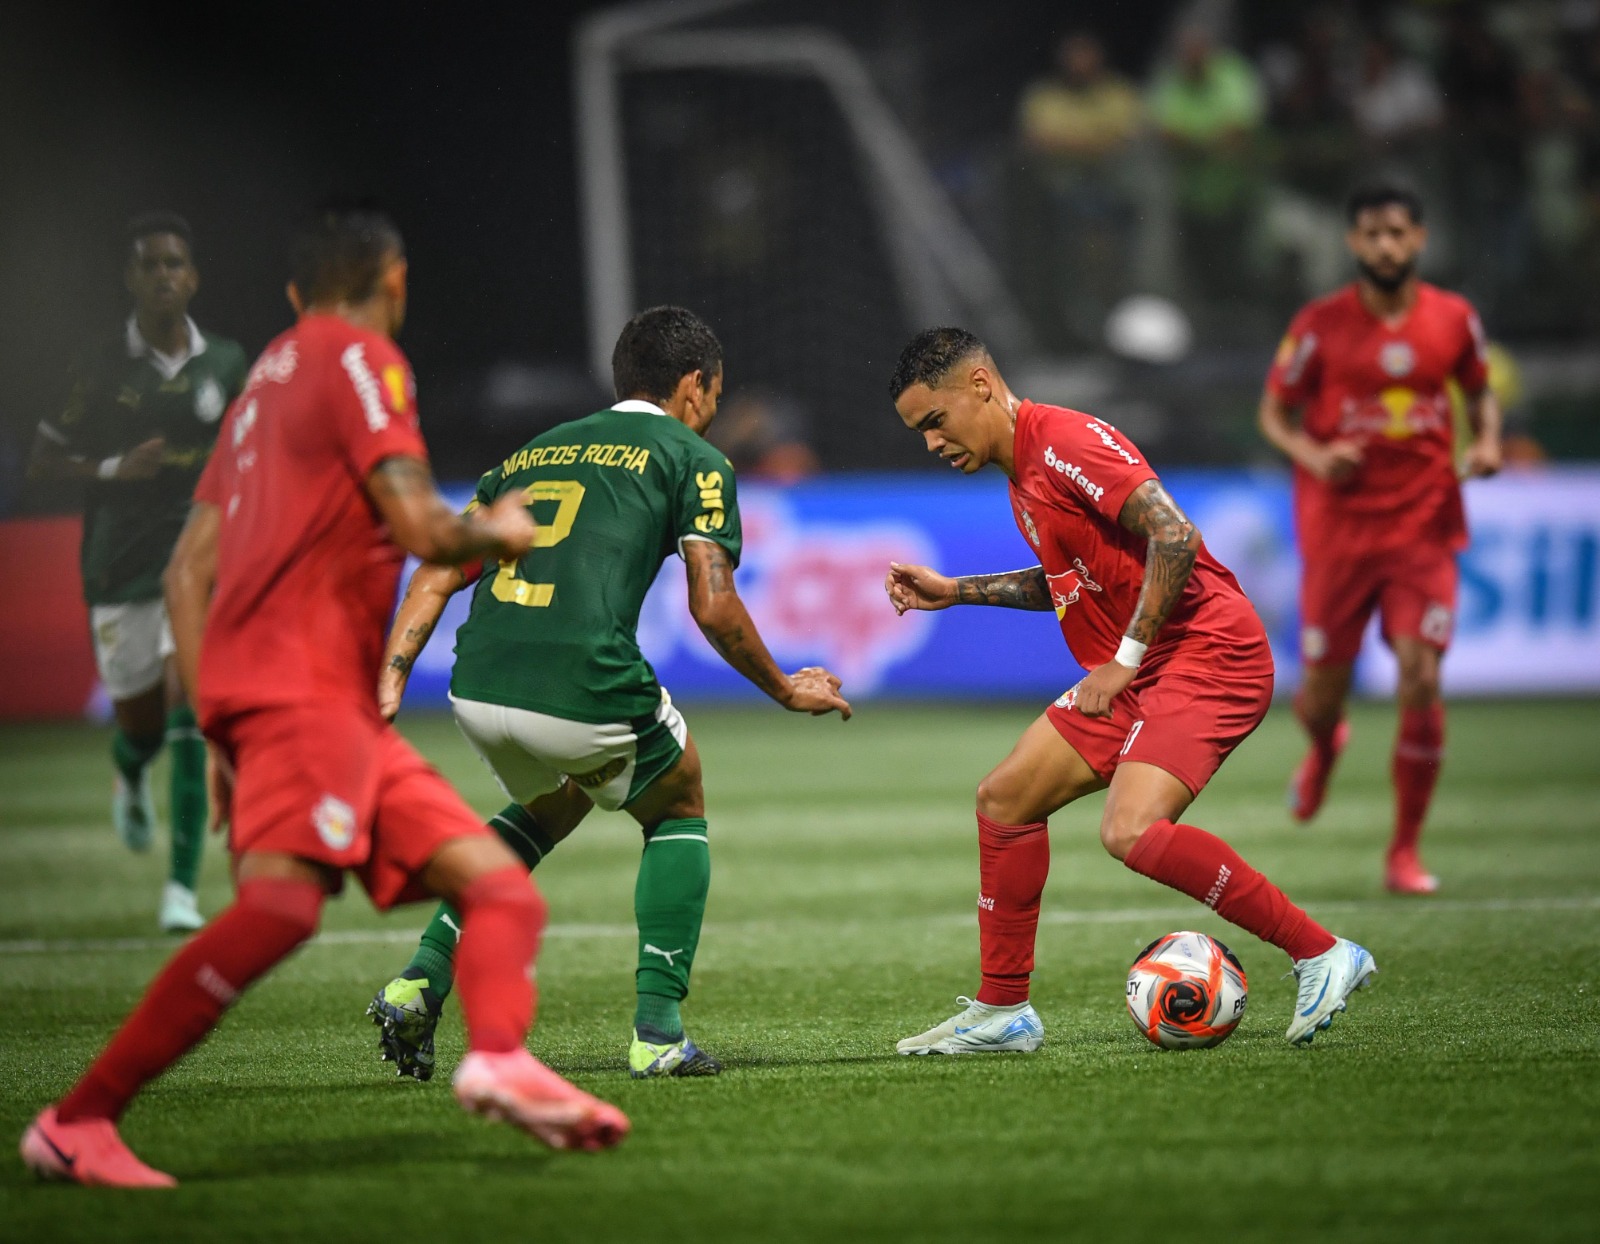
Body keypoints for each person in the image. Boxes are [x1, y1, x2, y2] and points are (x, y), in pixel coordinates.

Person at [19, 203, 628, 1188]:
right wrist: (499, 528)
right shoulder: (361, 360)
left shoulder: (259, 382)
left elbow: (185, 572)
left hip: (296, 702)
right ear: (391, 281)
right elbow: (421, 523)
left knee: (498, 885)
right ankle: (77, 1119)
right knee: (280, 909)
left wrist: (217, 727)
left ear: (296, 292)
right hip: (305, 693)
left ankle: (502, 1058)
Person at [368, 305, 851, 1082]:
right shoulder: (691, 455)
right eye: (715, 395)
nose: (715, 412)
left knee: (553, 803)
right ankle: (658, 1035)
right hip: (577, 676)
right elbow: (714, 603)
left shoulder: (534, 451)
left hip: (476, 681)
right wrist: (785, 688)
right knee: (679, 796)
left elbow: (436, 566)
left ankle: (421, 979)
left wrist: (393, 671)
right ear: (695, 385)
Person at [885, 326, 1374, 1056]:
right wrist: (956, 591)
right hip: (1145, 668)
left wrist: (1125, 655)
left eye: (935, 422)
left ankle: (1321, 951)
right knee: (1005, 799)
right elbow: (1063, 582)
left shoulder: (1066, 443)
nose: (931, 442)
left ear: (980, 386)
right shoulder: (1021, 475)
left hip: (1208, 652)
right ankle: (1002, 1012)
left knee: (1131, 831)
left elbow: (1174, 535)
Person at [1258, 184, 1501, 894]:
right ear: (1352, 243)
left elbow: (1479, 389)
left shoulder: (1455, 319)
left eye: (1397, 232)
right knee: (1322, 696)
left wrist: (1486, 441)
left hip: (1424, 525)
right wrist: (1311, 454)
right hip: (1339, 531)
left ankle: (1404, 852)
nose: (1385, 246)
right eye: (1371, 234)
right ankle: (1324, 745)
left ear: (1419, 238)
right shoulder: (1319, 325)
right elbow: (1275, 411)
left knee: (1421, 676)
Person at [27, 213, 248, 932]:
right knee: (143, 727)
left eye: (174, 264)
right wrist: (116, 467)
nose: (163, 276)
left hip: (195, 563)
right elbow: (42, 460)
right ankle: (129, 769)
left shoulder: (225, 362)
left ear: (193, 277)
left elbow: (251, 451)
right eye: (149, 265)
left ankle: (180, 890)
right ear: (131, 278)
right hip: (119, 566)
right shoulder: (95, 365)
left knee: (192, 713)